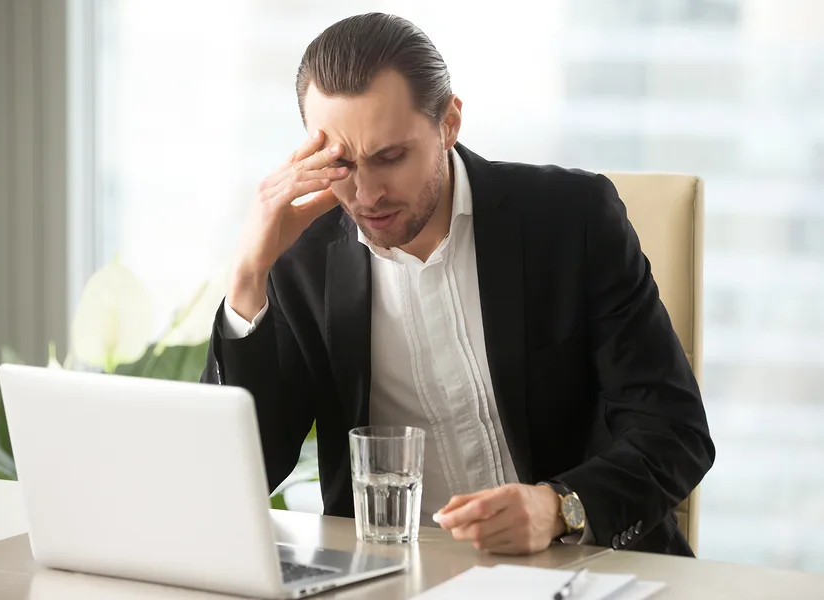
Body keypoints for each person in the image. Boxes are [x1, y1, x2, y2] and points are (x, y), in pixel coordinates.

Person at [200, 12, 714, 557]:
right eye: (342, 163)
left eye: (390, 157)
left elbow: (675, 433)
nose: (367, 194)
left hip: (583, 566)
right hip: (394, 576)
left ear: (449, 122)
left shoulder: (572, 219)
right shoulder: (301, 258)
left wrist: (558, 507)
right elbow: (243, 473)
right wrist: (248, 278)